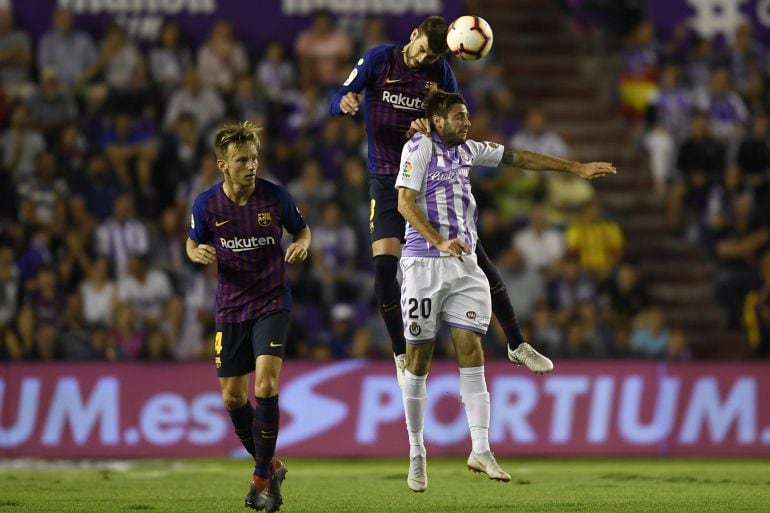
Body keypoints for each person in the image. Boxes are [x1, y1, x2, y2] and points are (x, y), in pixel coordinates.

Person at [395, 90, 614, 492]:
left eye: (468, 115)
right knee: (419, 360)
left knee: (472, 349)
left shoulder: (468, 151)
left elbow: (520, 158)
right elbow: (405, 203)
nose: (467, 122)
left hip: (464, 266)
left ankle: (480, 448)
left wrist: (575, 168)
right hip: (423, 263)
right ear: (438, 120)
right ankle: (416, 451)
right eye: (459, 116)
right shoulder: (419, 146)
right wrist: (438, 240)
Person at [331, 16, 553, 387]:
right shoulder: (378, 60)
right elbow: (334, 98)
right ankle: (401, 353)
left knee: (477, 259)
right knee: (385, 266)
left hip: (429, 180)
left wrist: (428, 125)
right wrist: (345, 101)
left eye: (432, 56)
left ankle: (517, 343)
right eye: (421, 51)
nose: (422, 60)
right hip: (387, 178)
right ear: (412, 35)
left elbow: (452, 122)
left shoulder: (441, 73)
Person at [186, 121, 311, 512]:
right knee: (232, 396)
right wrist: (195, 252)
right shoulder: (206, 205)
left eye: (254, 158)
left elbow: (302, 231)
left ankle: (260, 480)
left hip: (272, 299)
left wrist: (301, 246)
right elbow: (193, 241)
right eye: (242, 160)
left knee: (267, 385)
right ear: (222, 165)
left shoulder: (275, 197)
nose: (251, 165)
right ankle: (270, 465)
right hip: (230, 306)